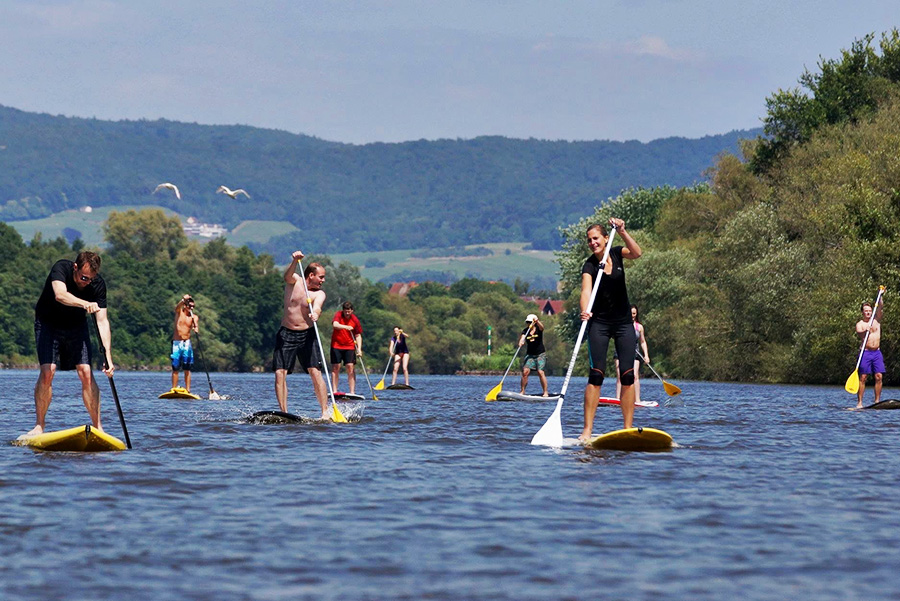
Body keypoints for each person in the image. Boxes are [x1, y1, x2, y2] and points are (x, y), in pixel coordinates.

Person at [24, 251, 114, 438]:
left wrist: (108, 357)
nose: (86, 282)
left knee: (86, 372)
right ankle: (39, 425)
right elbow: (60, 295)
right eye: (83, 277)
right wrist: (85, 304)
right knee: (48, 371)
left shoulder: (97, 285)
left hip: (75, 326)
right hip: (48, 323)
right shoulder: (61, 268)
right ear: (75, 267)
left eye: (91, 279)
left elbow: (102, 321)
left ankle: (98, 427)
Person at [578, 218, 642, 441]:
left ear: (606, 238)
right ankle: (587, 430)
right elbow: (586, 291)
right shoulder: (589, 265)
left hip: (623, 323)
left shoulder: (616, 252)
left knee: (627, 375)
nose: (592, 243)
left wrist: (623, 231)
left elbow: (637, 253)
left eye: (596, 238)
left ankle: (627, 428)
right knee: (596, 375)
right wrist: (585, 310)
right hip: (599, 324)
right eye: (589, 240)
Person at [272, 251, 330, 419]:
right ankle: (283, 412)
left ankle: (325, 412)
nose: (323, 280)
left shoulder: (319, 294)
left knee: (315, 371)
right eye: (321, 277)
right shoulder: (295, 281)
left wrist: (316, 314)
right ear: (311, 275)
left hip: (307, 335)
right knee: (280, 372)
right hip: (286, 334)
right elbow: (287, 276)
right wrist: (295, 261)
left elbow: (317, 306)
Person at [615, 305, 650, 403]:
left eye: (634, 313)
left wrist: (646, 355)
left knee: (634, 376)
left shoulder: (639, 327)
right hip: (620, 351)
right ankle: (618, 399)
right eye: (630, 313)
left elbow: (643, 342)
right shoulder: (620, 324)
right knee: (620, 375)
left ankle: (637, 400)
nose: (632, 315)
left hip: (635, 352)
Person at [856, 296, 885, 409]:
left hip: (876, 353)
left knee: (879, 377)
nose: (868, 313)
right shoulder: (860, 324)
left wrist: (881, 294)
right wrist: (865, 330)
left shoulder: (876, 320)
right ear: (862, 312)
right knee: (863, 377)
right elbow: (859, 332)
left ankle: (877, 401)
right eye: (866, 311)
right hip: (865, 352)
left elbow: (880, 306)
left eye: (869, 311)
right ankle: (860, 403)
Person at [330, 301, 363, 394]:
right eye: (345, 311)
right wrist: (346, 327)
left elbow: (358, 335)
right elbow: (335, 325)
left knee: (350, 367)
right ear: (343, 311)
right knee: (336, 367)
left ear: (352, 311)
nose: (347, 313)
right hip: (336, 345)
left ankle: (352, 391)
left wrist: (359, 349)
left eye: (349, 311)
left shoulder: (355, 320)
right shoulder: (338, 315)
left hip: (349, 346)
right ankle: (334, 391)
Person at [171, 294, 199, 392]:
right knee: (175, 367)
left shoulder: (194, 317)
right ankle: (174, 388)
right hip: (177, 343)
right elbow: (177, 307)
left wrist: (196, 328)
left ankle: (188, 390)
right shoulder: (179, 312)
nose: (191, 308)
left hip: (186, 343)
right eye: (189, 306)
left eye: (193, 307)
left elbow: (196, 326)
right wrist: (183, 299)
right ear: (185, 305)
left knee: (187, 368)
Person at [519, 313, 549, 396]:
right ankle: (522, 391)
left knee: (540, 372)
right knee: (525, 372)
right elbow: (522, 338)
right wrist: (521, 341)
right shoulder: (525, 331)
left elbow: (542, 327)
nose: (528, 324)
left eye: (530, 322)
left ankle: (545, 392)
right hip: (530, 355)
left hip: (540, 354)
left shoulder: (538, 329)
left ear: (534, 322)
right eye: (527, 322)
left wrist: (537, 321)